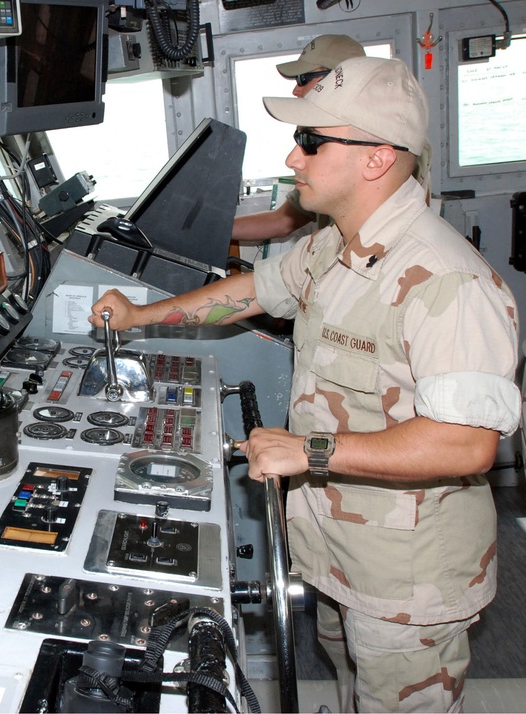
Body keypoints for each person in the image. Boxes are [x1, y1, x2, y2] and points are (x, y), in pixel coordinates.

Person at [90, 57, 520, 712]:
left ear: (376, 158)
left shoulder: (447, 281)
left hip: (407, 583)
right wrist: (139, 315)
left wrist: (310, 452)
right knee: (352, 686)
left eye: (313, 141)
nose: (294, 157)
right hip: (337, 549)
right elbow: (252, 291)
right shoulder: (333, 245)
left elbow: (466, 445)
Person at [232, 34, 365, 243]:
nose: (296, 89)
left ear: (336, 78)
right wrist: (211, 229)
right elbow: (283, 221)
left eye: (303, 79)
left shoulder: (377, 139)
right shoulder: (323, 133)